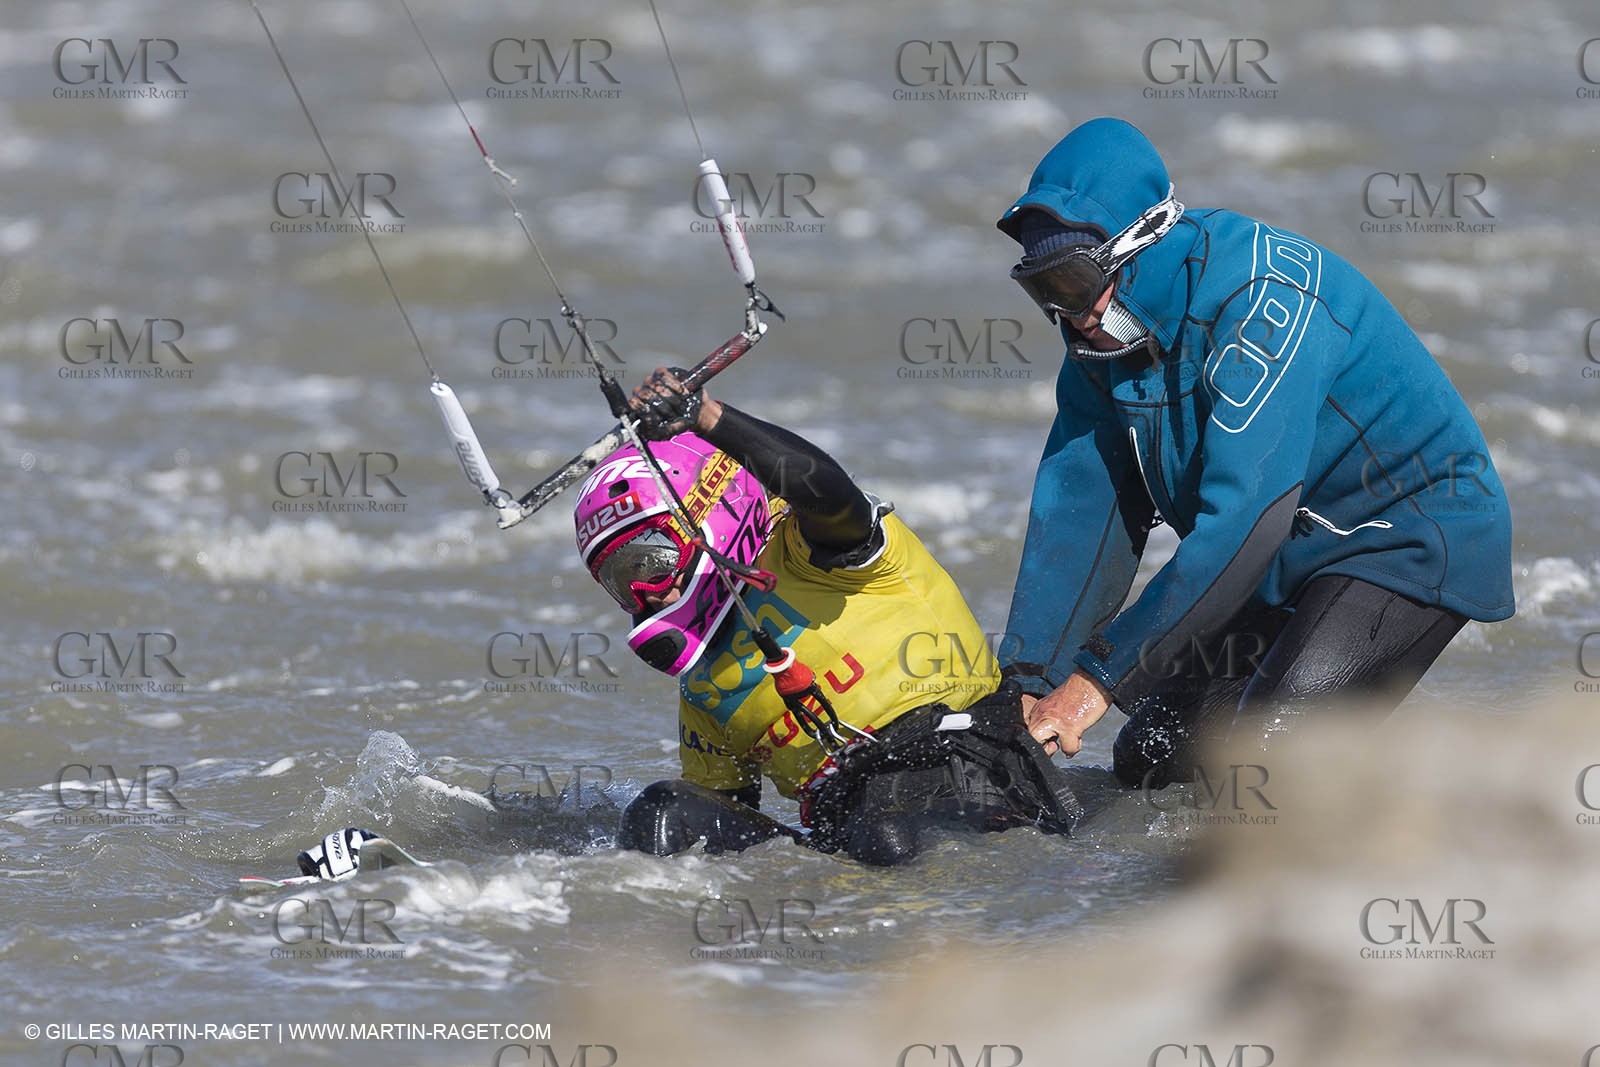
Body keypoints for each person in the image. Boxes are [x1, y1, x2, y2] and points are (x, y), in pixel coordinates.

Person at [993, 117, 1514, 787]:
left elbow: (1245, 524)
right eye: (1043, 291)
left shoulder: (1258, 304)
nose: (1067, 315)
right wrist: (1031, 678)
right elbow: (1082, 508)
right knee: (1152, 758)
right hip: (1288, 555)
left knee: (1260, 766)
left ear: (1140, 246)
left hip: (1406, 540)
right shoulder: (1097, 337)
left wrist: (1099, 677)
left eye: (1070, 282)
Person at [573, 367, 1080, 865]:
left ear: (711, 509)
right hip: (850, 840)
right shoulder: (703, 694)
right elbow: (721, 829)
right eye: (620, 577)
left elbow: (832, 495)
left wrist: (706, 417)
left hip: (971, 781)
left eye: (650, 562)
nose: (643, 593)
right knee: (662, 814)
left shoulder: (814, 551)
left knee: (887, 834)